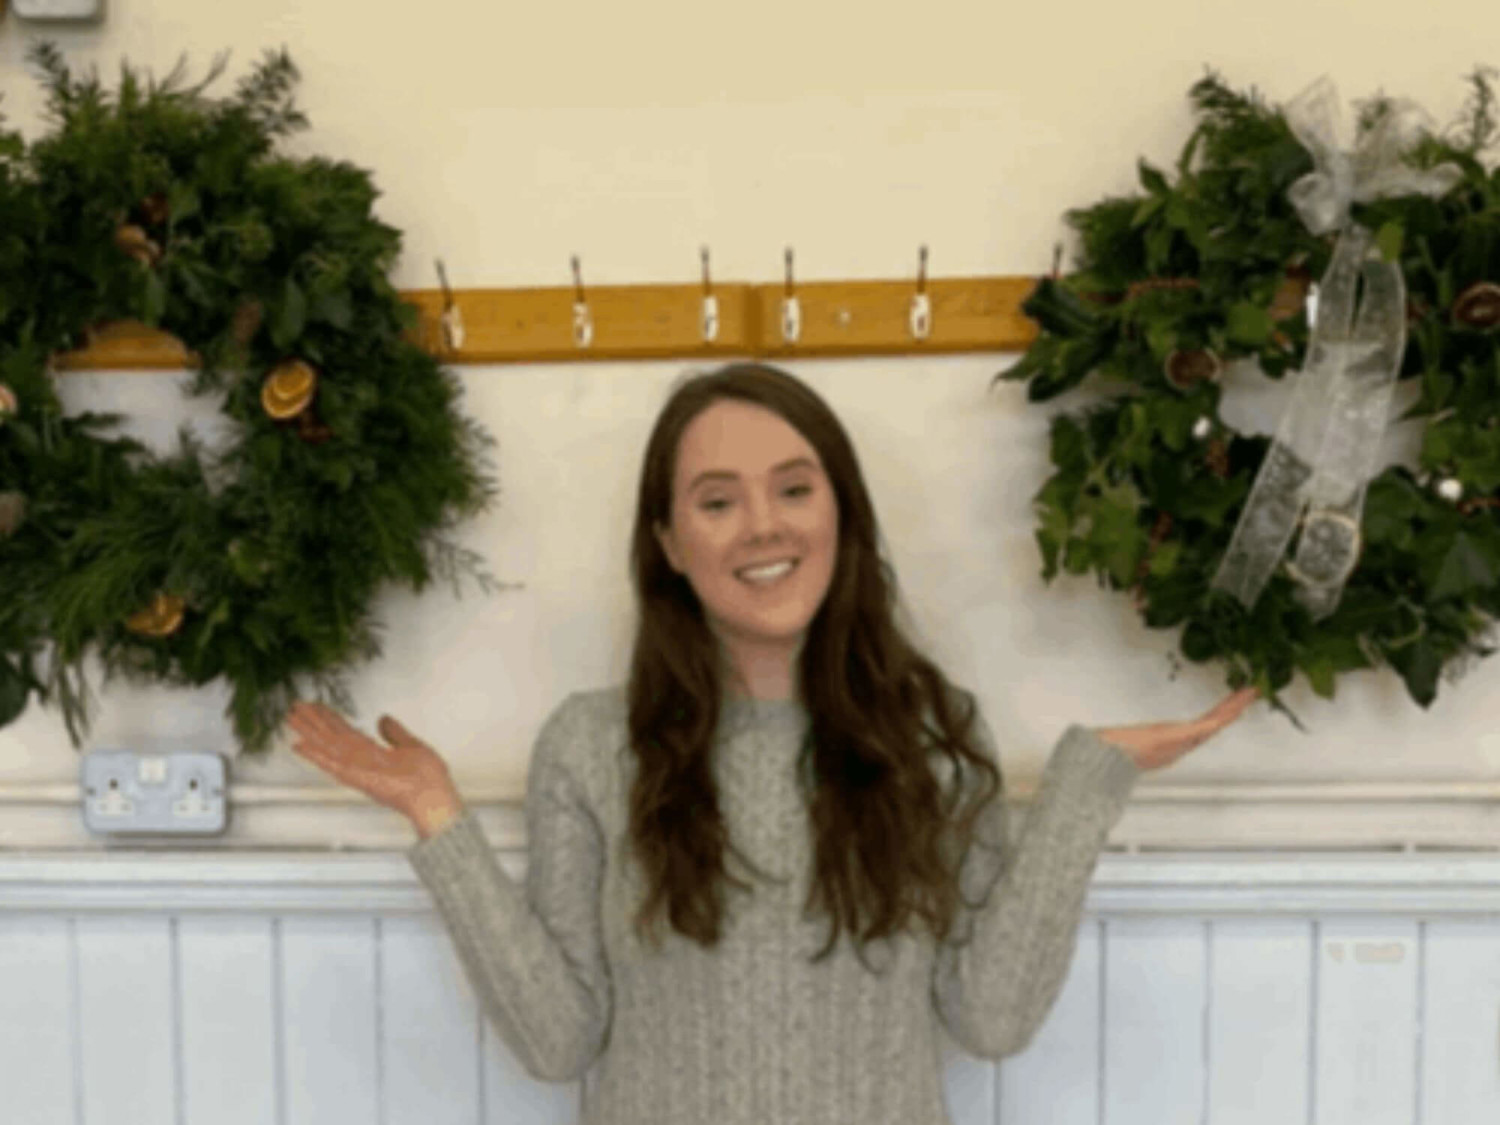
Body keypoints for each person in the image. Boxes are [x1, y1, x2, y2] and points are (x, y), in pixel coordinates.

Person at [285, 361, 1259, 1124]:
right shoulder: (589, 747)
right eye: (716, 501)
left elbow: (990, 1018)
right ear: (668, 541)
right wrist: (436, 816)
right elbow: (558, 1041)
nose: (763, 527)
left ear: (840, 509)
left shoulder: (932, 734)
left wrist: (1091, 783)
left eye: (795, 489)